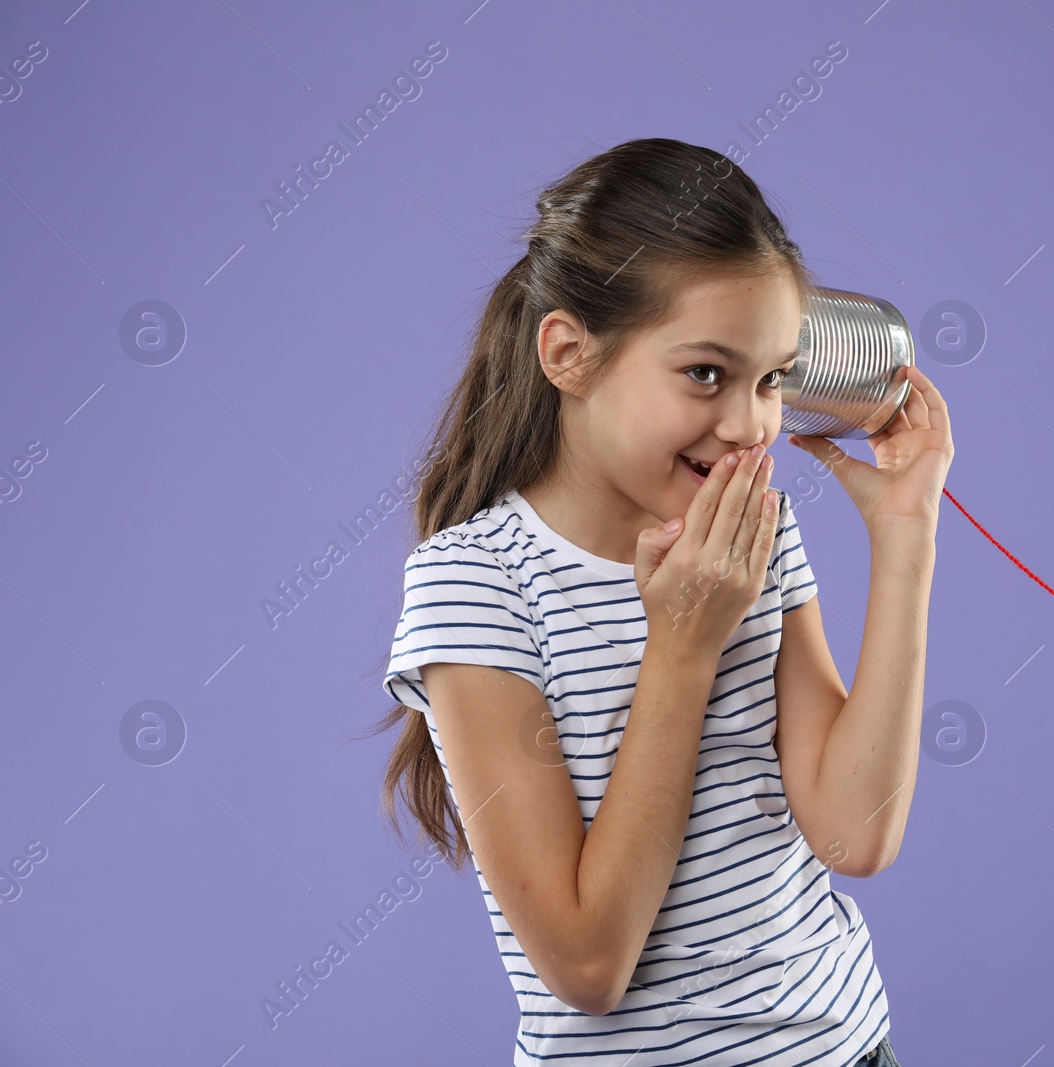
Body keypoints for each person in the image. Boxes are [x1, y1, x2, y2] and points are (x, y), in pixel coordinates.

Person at [374, 137, 951, 1066]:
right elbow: (589, 962)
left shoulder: (749, 532)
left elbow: (855, 831)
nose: (750, 426)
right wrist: (681, 650)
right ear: (569, 353)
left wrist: (905, 536)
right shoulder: (477, 583)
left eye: (770, 380)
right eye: (705, 373)